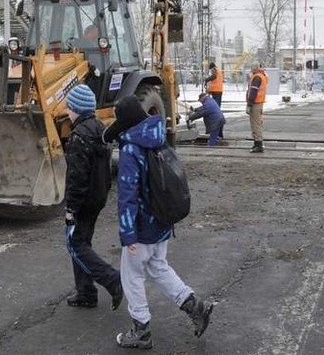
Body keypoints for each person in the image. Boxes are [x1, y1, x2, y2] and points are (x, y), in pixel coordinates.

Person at [103, 95, 213, 349]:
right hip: (163, 220)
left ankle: (141, 330)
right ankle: (195, 306)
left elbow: (128, 196)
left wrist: (128, 234)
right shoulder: (158, 137)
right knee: (159, 268)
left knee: (131, 277)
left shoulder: (132, 149)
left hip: (142, 228)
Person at [63, 84, 123, 310]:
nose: (67, 111)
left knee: (75, 245)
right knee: (82, 242)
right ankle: (86, 292)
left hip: (83, 201)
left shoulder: (79, 136)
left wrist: (71, 207)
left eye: (69, 107)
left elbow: (77, 177)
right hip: (97, 197)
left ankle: (111, 280)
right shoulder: (99, 129)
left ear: (77, 109)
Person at [245, 63, 268, 153]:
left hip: (255, 103)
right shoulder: (262, 75)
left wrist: (249, 104)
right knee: (258, 123)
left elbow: (253, 91)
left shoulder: (256, 77)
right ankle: (258, 143)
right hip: (259, 103)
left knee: (255, 124)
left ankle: (258, 144)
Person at [204, 62, 224, 138]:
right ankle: (219, 133)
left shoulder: (215, 70)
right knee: (216, 110)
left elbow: (214, 77)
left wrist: (207, 79)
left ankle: (218, 133)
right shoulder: (218, 70)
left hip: (216, 92)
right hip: (217, 91)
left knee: (216, 111)